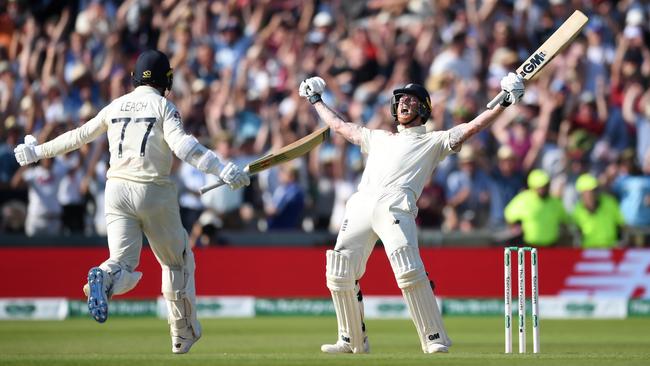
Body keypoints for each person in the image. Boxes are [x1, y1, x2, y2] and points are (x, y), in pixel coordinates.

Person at [13, 49, 250, 354]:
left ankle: (105, 274)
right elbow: (184, 147)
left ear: (135, 77)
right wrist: (223, 168)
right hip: (153, 190)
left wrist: (36, 153)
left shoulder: (115, 106)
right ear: (167, 78)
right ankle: (182, 334)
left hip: (115, 191)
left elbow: (78, 136)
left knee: (122, 263)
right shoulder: (164, 106)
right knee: (177, 262)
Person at [298, 72, 524, 354]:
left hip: (396, 205)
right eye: (400, 99)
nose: (404, 102)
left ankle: (434, 338)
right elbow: (341, 126)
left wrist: (504, 101)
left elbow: (472, 127)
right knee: (339, 270)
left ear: (424, 109)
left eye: (411, 100)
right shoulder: (377, 137)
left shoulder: (433, 142)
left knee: (408, 270)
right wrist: (316, 99)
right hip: (361, 203)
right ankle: (352, 340)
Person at [504, 169, 570, 247]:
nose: (542, 189)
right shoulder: (524, 199)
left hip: (552, 246)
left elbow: (566, 219)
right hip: (530, 246)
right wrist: (514, 228)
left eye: (545, 186)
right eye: (539, 187)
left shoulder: (555, 202)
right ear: (532, 186)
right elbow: (509, 214)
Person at [572, 173, 624, 248]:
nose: (592, 195)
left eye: (594, 190)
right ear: (582, 194)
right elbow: (575, 231)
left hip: (610, 248)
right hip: (588, 250)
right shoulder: (577, 210)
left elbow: (622, 224)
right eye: (587, 192)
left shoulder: (610, 203)